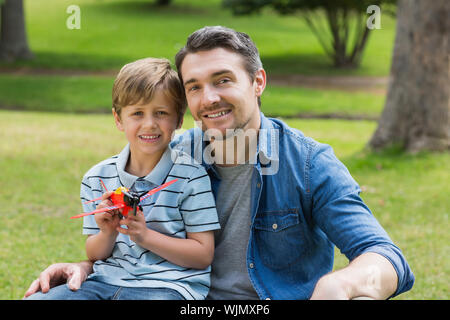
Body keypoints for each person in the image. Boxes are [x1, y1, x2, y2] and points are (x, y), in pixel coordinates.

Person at [24, 26, 414, 300]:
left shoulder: (308, 164)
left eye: (223, 80)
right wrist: (85, 267)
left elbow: (385, 255)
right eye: (194, 86)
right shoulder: (174, 155)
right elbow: (133, 248)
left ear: (258, 82)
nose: (208, 98)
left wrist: (342, 285)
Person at [25, 57, 220, 300]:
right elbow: (95, 254)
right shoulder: (97, 177)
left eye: (161, 113)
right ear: (118, 119)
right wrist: (107, 232)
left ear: (178, 120)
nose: (149, 124)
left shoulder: (191, 177)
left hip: (168, 286)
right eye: (137, 113)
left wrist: (145, 236)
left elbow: (202, 255)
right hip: (105, 281)